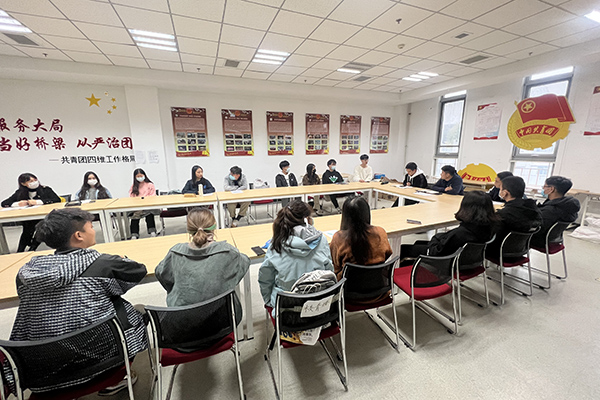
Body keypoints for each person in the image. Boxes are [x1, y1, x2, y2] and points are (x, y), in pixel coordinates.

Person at [8, 208, 147, 396]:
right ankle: (116, 380)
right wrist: (123, 259)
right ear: (79, 235)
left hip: (44, 367)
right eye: (91, 227)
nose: (94, 230)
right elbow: (137, 272)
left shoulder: (26, 274)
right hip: (101, 361)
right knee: (131, 309)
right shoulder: (102, 263)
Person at [155, 208, 250, 309]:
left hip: (182, 316)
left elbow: (160, 273)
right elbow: (244, 263)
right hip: (220, 314)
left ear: (188, 229)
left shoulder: (175, 252)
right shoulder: (228, 252)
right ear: (214, 226)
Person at [258, 200, 334, 310]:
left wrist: (270, 301)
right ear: (306, 219)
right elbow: (329, 272)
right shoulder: (322, 240)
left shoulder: (276, 244)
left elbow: (265, 278)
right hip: (319, 307)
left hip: (286, 310)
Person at [399, 191, 500, 265]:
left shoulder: (461, 233)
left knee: (402, 249)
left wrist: (436, 237)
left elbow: (437, 252)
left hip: (446, 262)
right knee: (418, 242)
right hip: (468, 260)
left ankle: (395, 275)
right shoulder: (491, 226)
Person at [330, 196, 393, 281]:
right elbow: (387, 254)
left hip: (349, 287)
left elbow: (336, 266)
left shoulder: (338, 238)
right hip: (378, 285)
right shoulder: (380, 232)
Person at [1, 173, 61, 252]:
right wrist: (17, 204)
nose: (34, 182)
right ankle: (20, 250)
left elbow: (57, 200)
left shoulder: (46, 190)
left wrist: (38, 202)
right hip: (29, 217)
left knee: (40, 228)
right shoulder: (20, 192)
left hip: (43, 216)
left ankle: (32, 248)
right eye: (30, 181)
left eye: (35, 180)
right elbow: (4, 203)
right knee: (27, 230)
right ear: (23, 183)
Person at [485, 176, 542, 259]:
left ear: (505, 193)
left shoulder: (504, 214)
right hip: (521, 249)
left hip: (500, 252)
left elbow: (491, 234)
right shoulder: (533, 209)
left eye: (500, 189)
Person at [530, 176, 580, 248]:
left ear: (551, 189)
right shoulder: (567, 206)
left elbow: (536, 228)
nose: (543, 188)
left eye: (545, 186)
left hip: (539, 240)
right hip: (554, 239)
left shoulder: (551, 210)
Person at [129, 168, 157, 239]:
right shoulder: (133, 186)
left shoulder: (150, 185)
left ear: (144, 175)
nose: (140, 178)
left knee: (149, 215)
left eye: (141, 176)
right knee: (134, 217)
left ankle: (152, 231)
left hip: (148, 206)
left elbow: (153, 196)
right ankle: (134, 234)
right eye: (138, 176)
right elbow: (132, 197)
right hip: (138, 207)